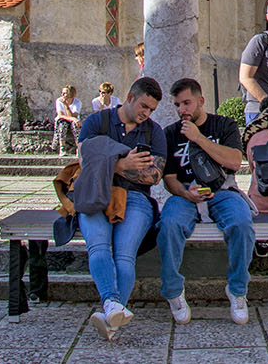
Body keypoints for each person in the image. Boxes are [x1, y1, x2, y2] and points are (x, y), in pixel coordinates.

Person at [158, 78, 253, 325]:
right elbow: (168, 178)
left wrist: (199, 139)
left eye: (187, 103)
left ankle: (237, 290)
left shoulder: (223, 125)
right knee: (168, 225)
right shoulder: (170, 133)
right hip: (185, 195)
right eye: (178, 105)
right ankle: (173, 292)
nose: (182, 110)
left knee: (241, 224)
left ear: (201, 101)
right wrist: (184, 192)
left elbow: (234, 162)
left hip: (222, 191)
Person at [77, 77, 166, 340]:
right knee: (98, 245)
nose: (146, 113)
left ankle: (111, 317)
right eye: (143, 106)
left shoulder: (153, 131)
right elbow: (83, 159)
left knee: (125, 255)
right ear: (129, 97)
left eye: (151, 109)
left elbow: (154, 176)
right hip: (96, 193)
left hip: (135, 199)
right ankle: (113, 307)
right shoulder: (98, 122)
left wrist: (105, 163)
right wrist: (120, 166)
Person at [54, 85, 82, 156]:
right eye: (62, 93)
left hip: (73, 121)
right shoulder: (59, 101)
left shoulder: (77, 102)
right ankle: (62, 148)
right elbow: (61, 115)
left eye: (64, 93)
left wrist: (66, 106)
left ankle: (78, 148)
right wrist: (73, 119)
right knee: (62, 125)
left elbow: (74, 116)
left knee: (76, 126)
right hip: (63, 120)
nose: (62, 95)